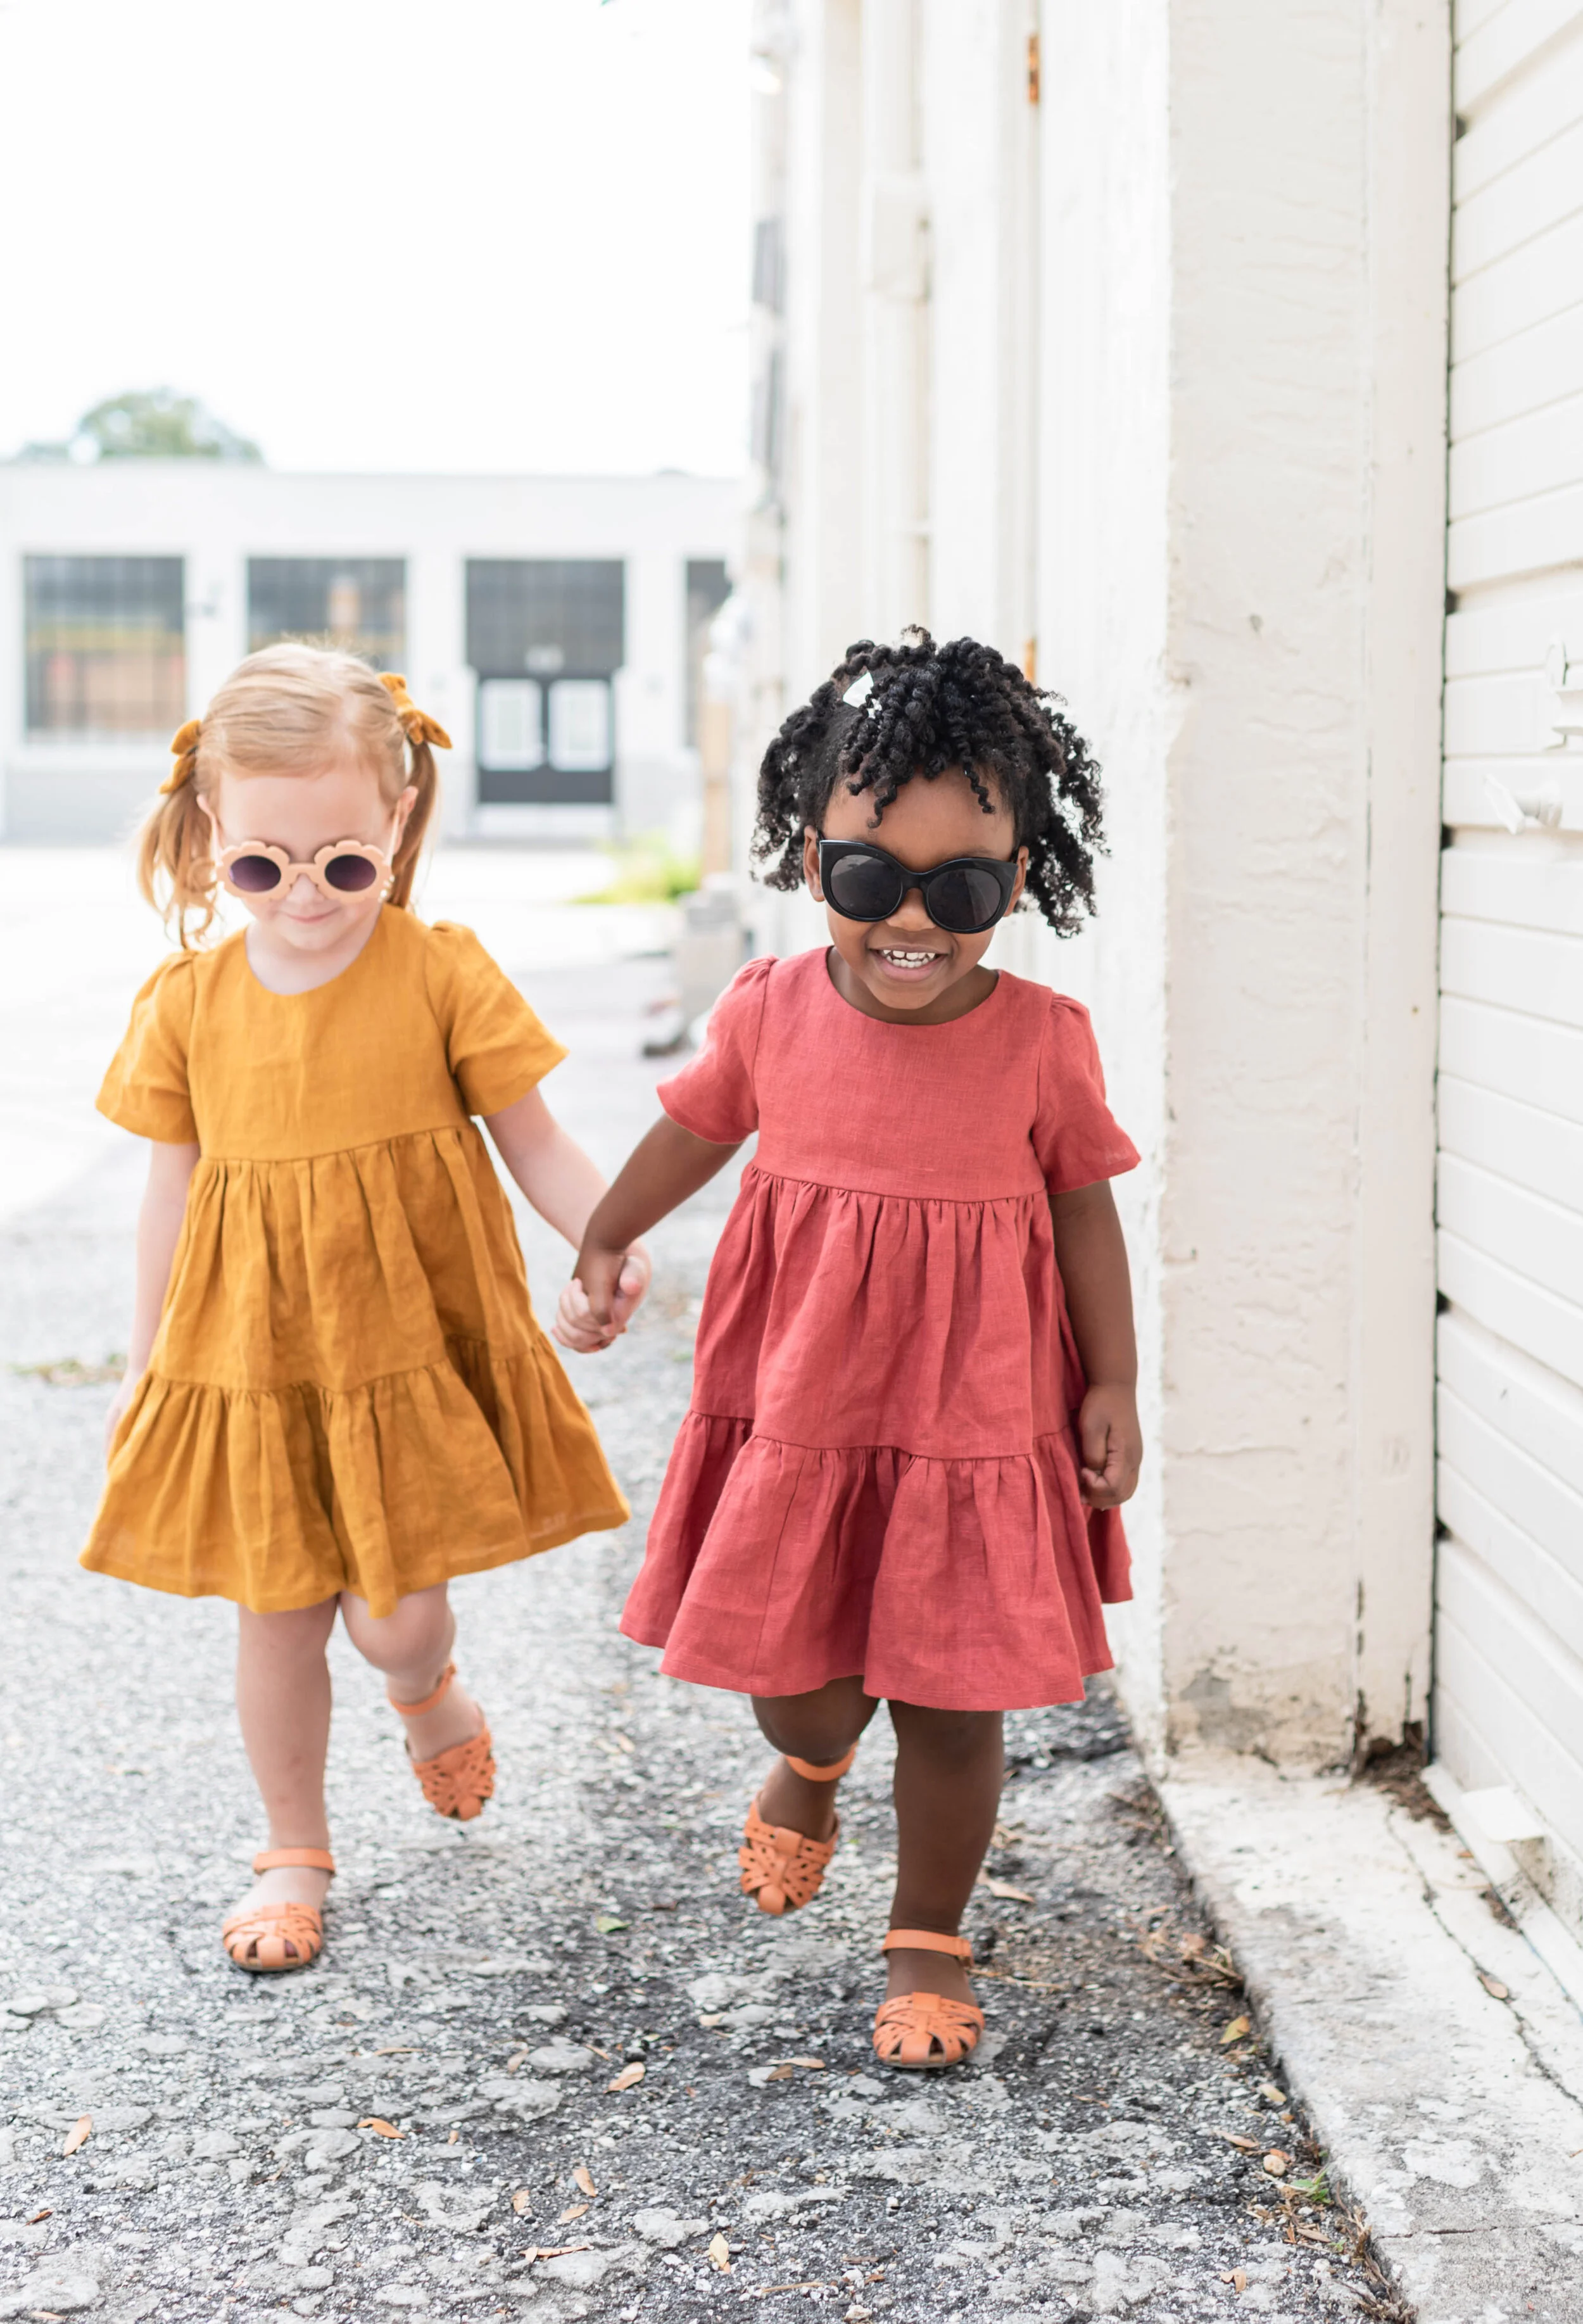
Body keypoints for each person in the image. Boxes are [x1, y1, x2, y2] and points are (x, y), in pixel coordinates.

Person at [558, 631, 1142, 2071]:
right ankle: (811, 1763)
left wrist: (1115, 1379)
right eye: (871, 877)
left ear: (1022, 876)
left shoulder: (1041, 1040)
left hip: (977, 1421)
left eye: (964, 887)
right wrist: (602, 1234)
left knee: (950, 1695)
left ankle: (926, 1930)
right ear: (808, 857)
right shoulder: (768, 1009)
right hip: (802, 1403)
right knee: (799, 1668)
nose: (914, 921)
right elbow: (692, 1127)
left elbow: (1083, 1215)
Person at [87, 643, 645, 1975]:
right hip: (249, 1354)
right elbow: (169, 1193)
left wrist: (604, 1245)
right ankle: (293, 1848)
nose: (304, 896)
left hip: (402, 1345)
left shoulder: (439, 970)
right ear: (213, 834)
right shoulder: (186, 1004)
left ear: (397, 821)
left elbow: (540, 1141)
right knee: (274, 1606)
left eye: (343, 861)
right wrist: (146, 1359)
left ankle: (422, 1685)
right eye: (260, 865)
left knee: (393, 1613)